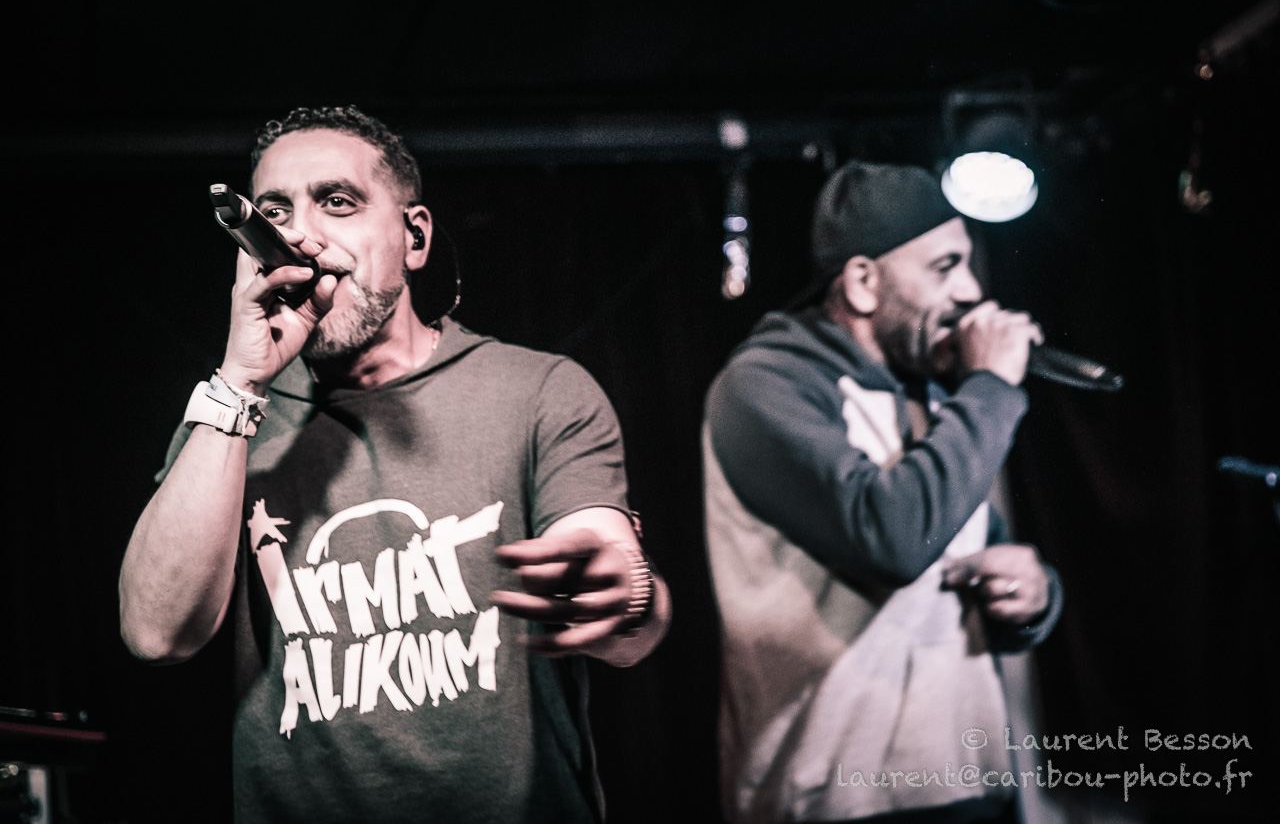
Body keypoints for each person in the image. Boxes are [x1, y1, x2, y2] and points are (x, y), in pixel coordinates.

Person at [119, 106, 670, 823]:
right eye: (275, 211)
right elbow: (156, 634)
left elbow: (626, 617)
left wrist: (627, 593)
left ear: (414, 238)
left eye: (337, 202)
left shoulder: (536, 391)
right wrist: (240, 382)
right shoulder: (231, 420)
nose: (300, 236)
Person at [703, 160, 1063, 823]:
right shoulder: (762, 387)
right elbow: (893, 538)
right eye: (946, 266)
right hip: (838, 800)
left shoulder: (937, 392)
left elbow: (969, 546)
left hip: (970, 783)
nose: (972, 290)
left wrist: (1032, 594)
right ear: (864, 282)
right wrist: (991, 388)